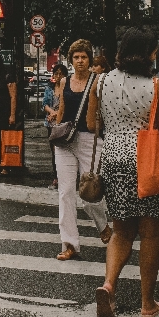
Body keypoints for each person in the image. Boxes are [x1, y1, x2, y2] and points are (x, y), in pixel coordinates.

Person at [87, 27, 159, 317]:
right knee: (150, 232)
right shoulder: (156, 85)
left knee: (121, 230)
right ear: (149, 53)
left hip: (113, 158)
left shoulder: (101, 81)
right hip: (145, 160)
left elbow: (90, 123)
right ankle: (147, 303)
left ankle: (109, 285)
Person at [53, 40, 111, 260]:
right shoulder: (65, 81)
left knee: (90, 192)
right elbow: (62, 110)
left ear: (90, 59)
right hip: (66, 141)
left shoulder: (98, 81)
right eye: (76, 57)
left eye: (84, 57)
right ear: (71, 60)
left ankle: (102, 224)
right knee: (66, 193)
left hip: (90, 140)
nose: (80, 61)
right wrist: (56, 134)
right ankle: (69, 244)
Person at [43, 64, 68, 190]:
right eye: (56, 73)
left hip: (63, 123)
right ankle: (56, 178)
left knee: (63, 152)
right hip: (51, 124)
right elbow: (45, 104)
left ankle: (64, 178)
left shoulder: (67, 88)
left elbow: (67, 106)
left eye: (61, 73)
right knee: (54, 153)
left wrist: (56, 114)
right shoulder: (49, 88)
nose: (58, 76)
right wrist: (52, 112)